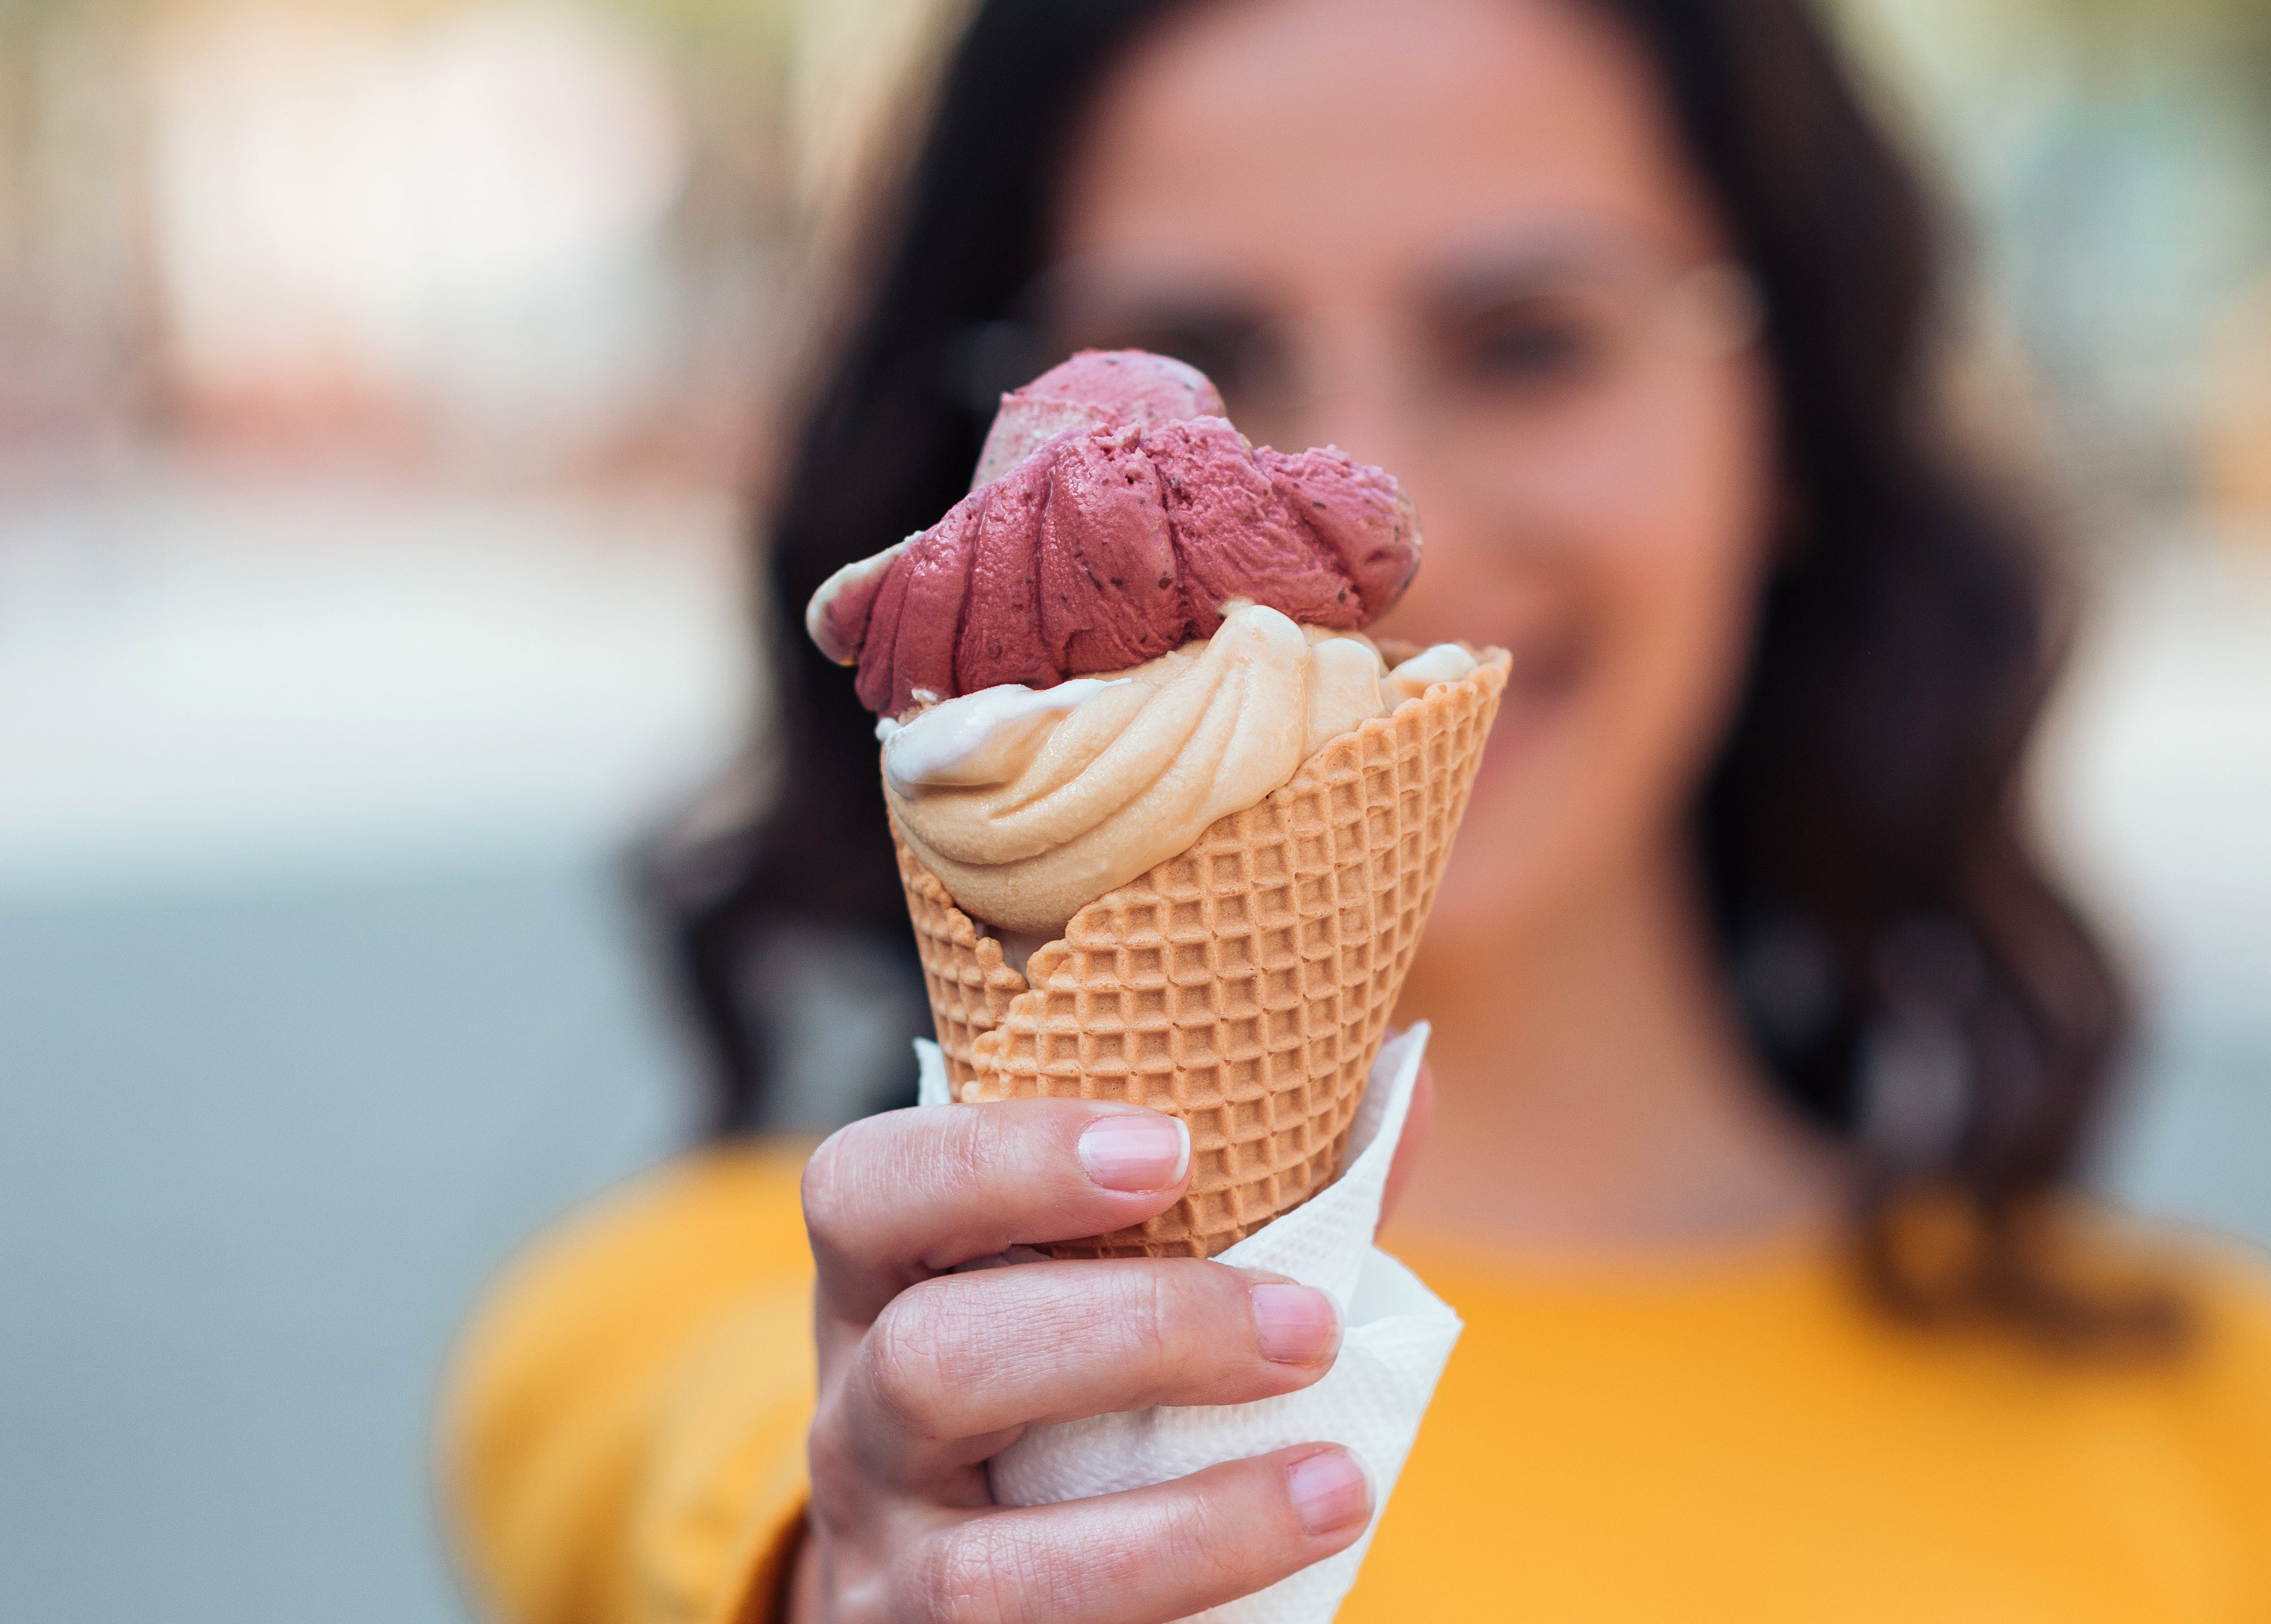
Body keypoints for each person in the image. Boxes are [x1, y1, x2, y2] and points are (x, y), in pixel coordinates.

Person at [441, 1, 2271, 1619]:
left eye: (1531, 340)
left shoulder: (2217, 1433)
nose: (1388, 556)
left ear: (1786, 431)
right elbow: (731, 1483)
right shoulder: (692, 1336)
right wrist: (861, 1558)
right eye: (1192, 350)